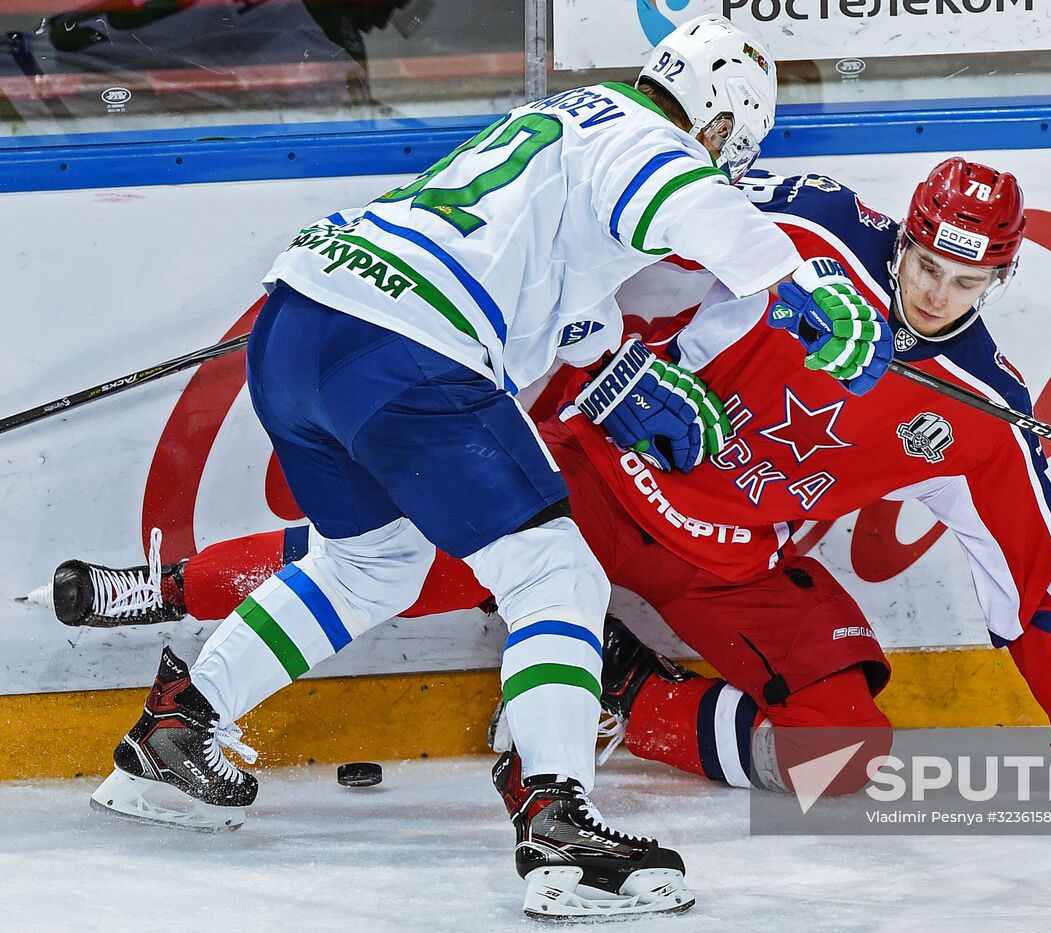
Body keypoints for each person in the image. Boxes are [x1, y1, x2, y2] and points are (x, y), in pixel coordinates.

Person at [57, 14, 894, 922]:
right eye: (729, 148)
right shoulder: (645, 140)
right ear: (717, 122)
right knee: (558, 572)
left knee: (369, 566)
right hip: (406, 347)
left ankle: (177, 729)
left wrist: (637, 367)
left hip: (297, 322)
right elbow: (678, 195)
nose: (725, 165)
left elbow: (577, 297)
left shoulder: (564, 122)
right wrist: (797, 279)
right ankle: (559, 822)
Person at [39, 156, 1051, 812]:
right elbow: (625, 236)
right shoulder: (808, 226)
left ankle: (640, 700)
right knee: (379, 564)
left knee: (845, 762)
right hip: (595, 478)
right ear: (905, 233)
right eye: (924, 265)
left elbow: (1030, 583)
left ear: (1001, 275)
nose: (932, 294)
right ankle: (170, 588)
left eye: (965, 281)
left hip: (732, 570)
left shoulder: (980, 410)